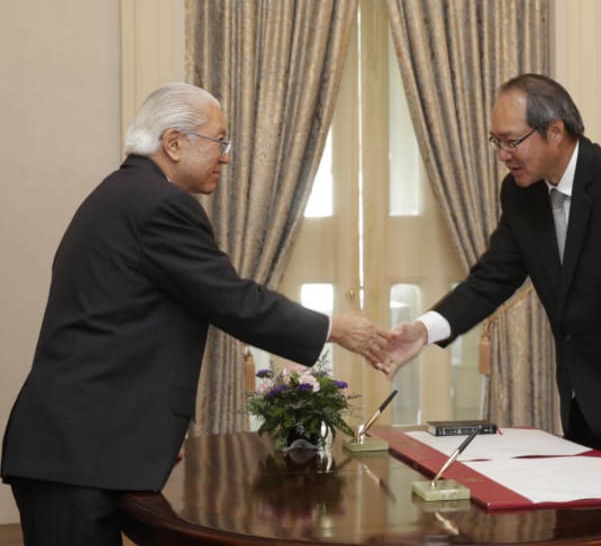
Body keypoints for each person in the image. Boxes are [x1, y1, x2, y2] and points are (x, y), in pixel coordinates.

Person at [1, 83, 389, 545]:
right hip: (78, 452)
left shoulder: (124, 194)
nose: (226, 156)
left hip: (78, 445)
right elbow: (233, 300)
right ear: (174, 142)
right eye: (219, 141)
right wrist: (334, 328)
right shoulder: (158, 205)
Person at [381, 73, 601, 465]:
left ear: (555, 131)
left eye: (511, 141)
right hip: (582, 416)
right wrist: (423, 330)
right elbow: (491, 278)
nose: (503, 155)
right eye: (497, 142)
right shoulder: (520, 195)